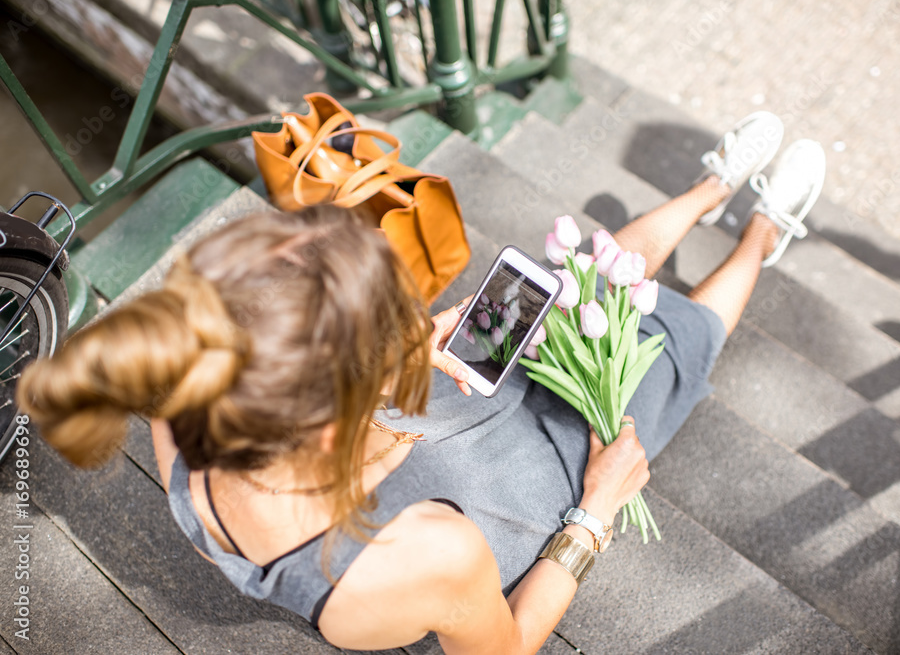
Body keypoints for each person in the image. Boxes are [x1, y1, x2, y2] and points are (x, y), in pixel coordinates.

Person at [17, 112, 824, 653]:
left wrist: (410, 357)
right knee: (663, 347)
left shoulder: (188, 401)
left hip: (421, 426)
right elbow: (503, 645)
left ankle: (711, 188)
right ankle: (760, 231)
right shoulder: (419, 559)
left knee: (580, 280)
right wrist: (596, 513)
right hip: (532, 486)